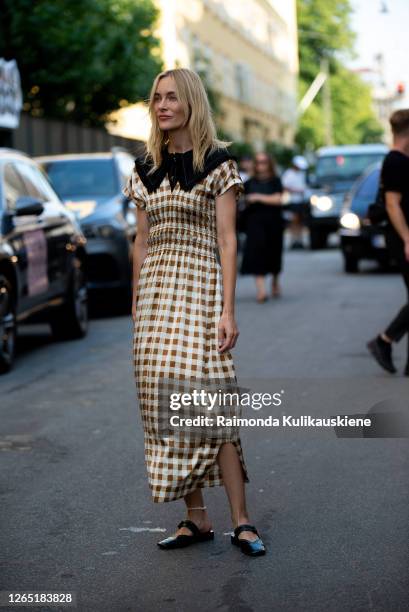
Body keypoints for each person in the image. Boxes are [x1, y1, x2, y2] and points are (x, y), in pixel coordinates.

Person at [122, 68, 266, 556]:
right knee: (164, 399)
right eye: (156, 98)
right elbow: (140, 241)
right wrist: (137, 304)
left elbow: (228, 241)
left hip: (202, 288)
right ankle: (196, 518)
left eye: (171, 98)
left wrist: (228, 309)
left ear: (190, 103)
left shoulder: (218, 163)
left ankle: (242, 521)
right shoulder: (143, 167)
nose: (161, 106)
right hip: (157, 292)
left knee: (212, 400)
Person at [367, 109, 409, 376]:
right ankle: (384, 341)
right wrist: (407, 238)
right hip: (402, 237)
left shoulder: (400, 159)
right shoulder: (395, 161)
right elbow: (393, 205)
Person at [240, 152, 284, 302]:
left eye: (264, 161)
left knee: (274, 254)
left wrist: (257, 197)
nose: (261, 165)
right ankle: (261, 291)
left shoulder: (275, 181)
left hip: (273, 223)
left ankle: (275, 281)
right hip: (255, 224)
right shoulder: (249, 182)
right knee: (256, 254)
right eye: (258, 162)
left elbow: (278, 199)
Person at [281, 155, 308, 249]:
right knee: (294, 221)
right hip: (293, 201)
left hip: (301, 200)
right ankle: (294, 240)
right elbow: (284, 186)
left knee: (300, 222)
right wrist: (296, 190)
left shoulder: (301, 174)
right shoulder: (289, 174)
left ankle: (299, 240)